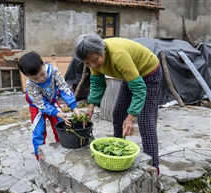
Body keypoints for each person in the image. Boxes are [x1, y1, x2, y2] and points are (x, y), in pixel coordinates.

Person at [73, 33, 163, 174]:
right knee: (118, 114)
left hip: (149, 73)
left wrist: (132, 116)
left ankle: (153, 167)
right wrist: (91, 105)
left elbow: (139, 89)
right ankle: (118, 150)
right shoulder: (92, 58)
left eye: (95, 60)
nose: (93, 65)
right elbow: (97, 83)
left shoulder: (118, 55)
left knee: (146, 122)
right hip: (130, 76)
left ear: (103, 50)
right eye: (87, 63)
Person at [18, 51, 80, 161]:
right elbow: (41, 104)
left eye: (42, 74)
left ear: (43, 64)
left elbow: (64, 88)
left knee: (60, 126)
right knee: (38, 132)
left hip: (52, 101)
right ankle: (40, 159)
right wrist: (57, 112)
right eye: (36, 78)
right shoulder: (30, 85)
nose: (41, 79)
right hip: (37, 106)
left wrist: (73, 107)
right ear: (27, 76)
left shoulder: (54, 71)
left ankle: (61, 149)